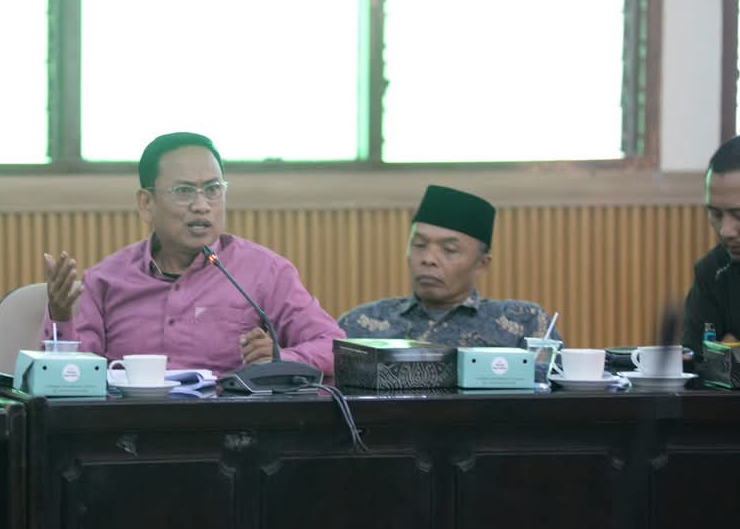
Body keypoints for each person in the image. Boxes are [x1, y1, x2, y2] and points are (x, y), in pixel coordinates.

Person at [42, 131, 345, 377]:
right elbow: (73, 378)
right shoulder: (105, 280)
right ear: (146, 204)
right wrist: (61, 317)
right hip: (131, 425)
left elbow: (334, 347)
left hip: (230, 425)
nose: (201, 206)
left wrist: (281, 359)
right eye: (184, 191)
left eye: (213, 190)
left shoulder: (265, 272)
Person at [338, 185, 551, 347]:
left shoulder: (525, 323)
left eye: (449, 249)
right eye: (419, 245)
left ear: (482, 264)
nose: (428, 259)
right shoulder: (360, 324)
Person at [682, 135, 740, 358]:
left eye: (738, 215)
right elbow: (693, 361)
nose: (726, 231)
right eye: (716, 214)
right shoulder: (712, 271)